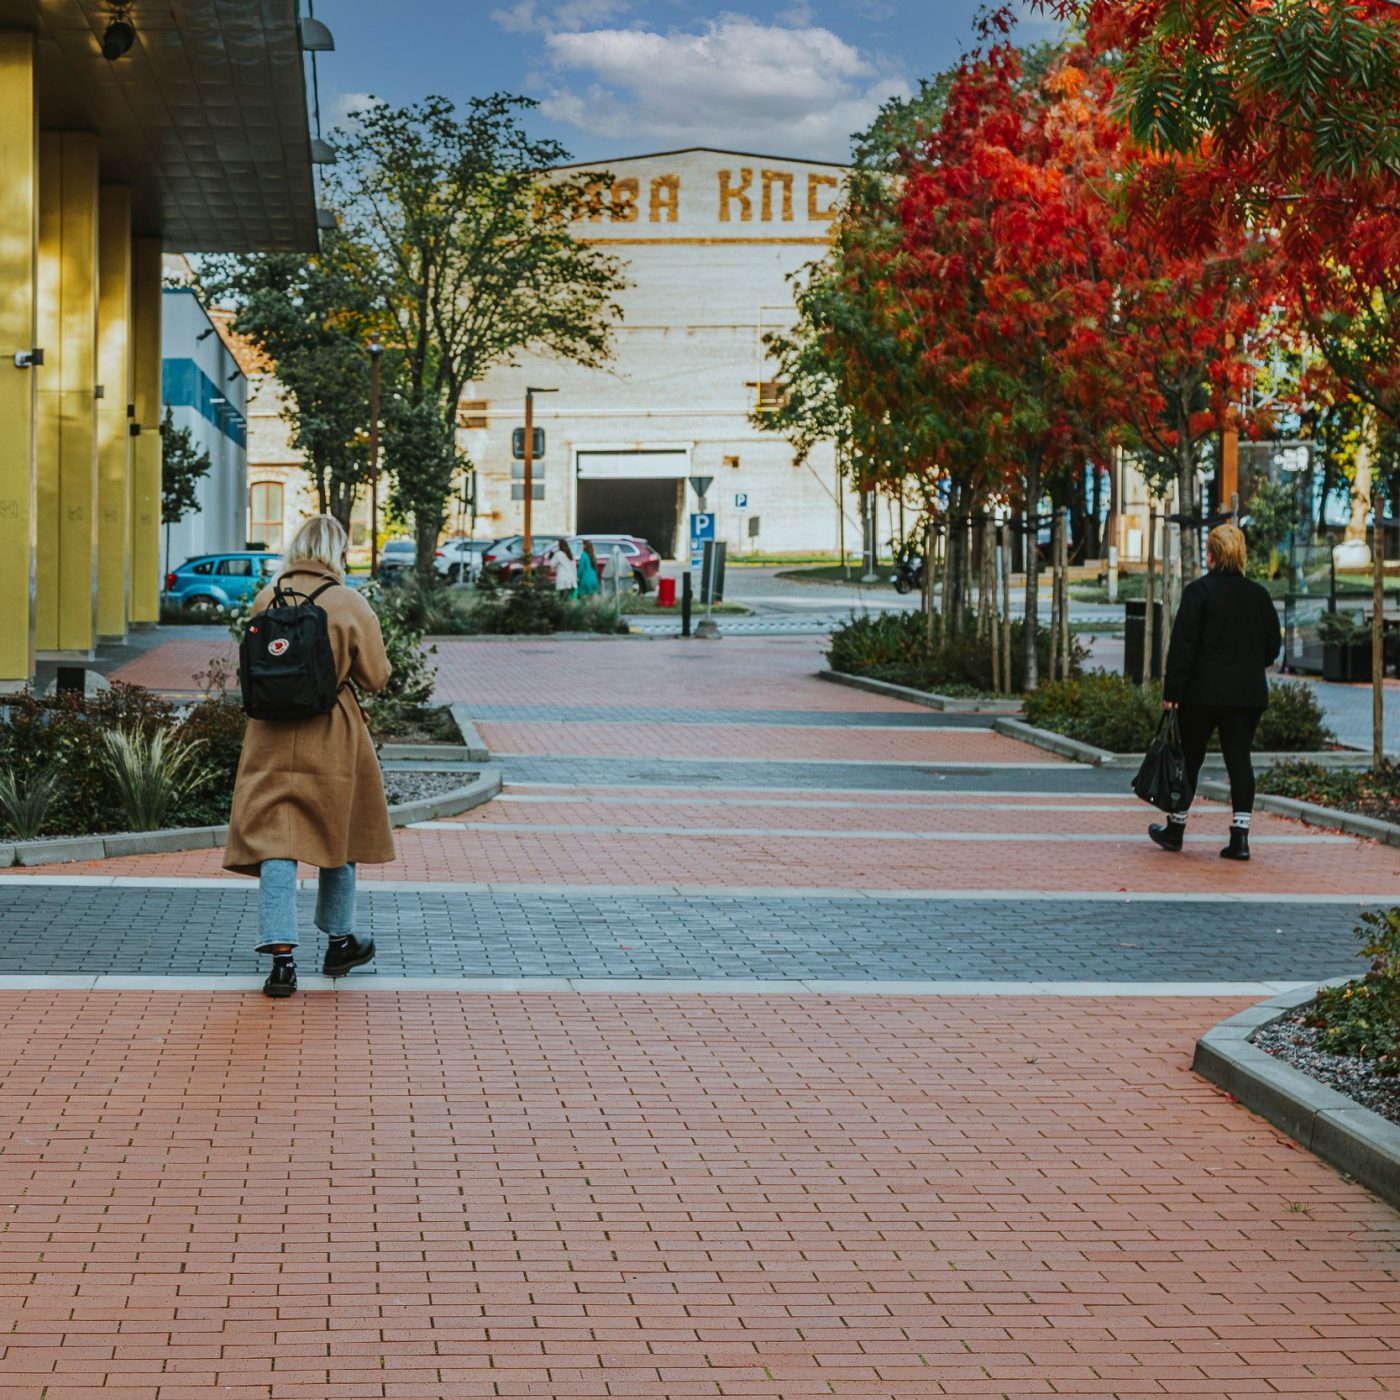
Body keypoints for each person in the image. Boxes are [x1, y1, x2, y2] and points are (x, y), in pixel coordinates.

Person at [224, 514, 396, 997]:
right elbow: (376, 677)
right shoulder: (348, 603)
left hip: (271, 735)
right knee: (336, 832)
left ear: (297, 547)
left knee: (276, 842)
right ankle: (340, 942)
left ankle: (281, 963)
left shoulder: (266, 597)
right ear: (337, 551)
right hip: (332, 732)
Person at [1150, 522, 1282, 861]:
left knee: (1190, 758)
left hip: (1202, 694)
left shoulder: (1199, 593)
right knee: (1239, 760)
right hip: (1247, 694)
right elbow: (1272, 648)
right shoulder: (1259, 596)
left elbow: (1184, 647)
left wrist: (1172, 691)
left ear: (1211, 555)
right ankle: (1240, 837)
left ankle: (1176, 828)